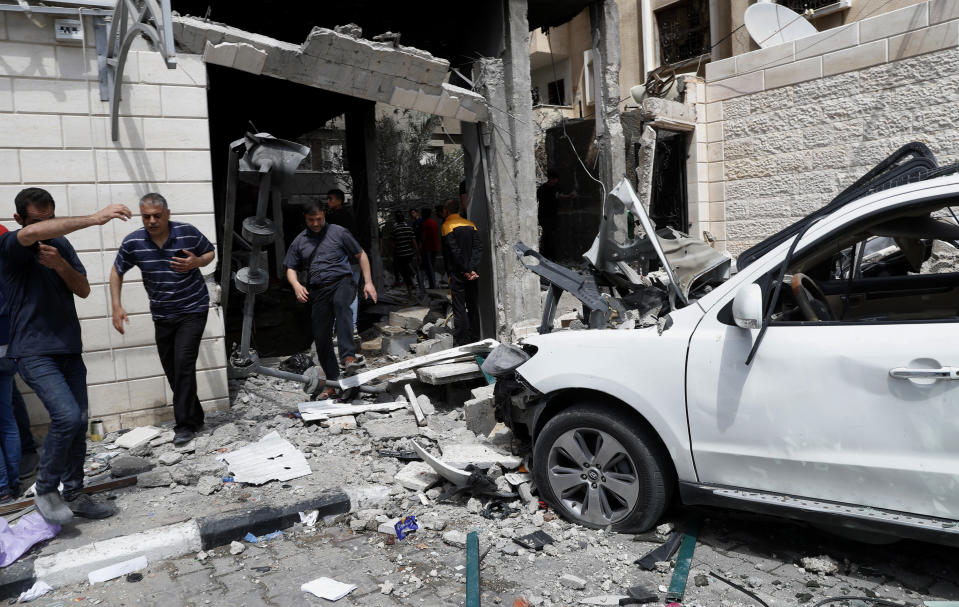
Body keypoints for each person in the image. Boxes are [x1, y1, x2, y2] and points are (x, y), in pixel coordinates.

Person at [0, 187, 130, 524]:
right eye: (39, 221)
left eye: (52, 220)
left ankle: (74, 492)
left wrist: (59, 265)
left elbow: (84, 289)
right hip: (32, 351)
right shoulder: (12, 246)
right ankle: (46, 488)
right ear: (19, 220)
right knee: (67, 417)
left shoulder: (61, 246)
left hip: (69, 349)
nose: (48, 229)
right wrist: (95, 218)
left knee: (78, 423)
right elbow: (30, 234)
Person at [109, 193, 215, 447]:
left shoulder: (187, 232)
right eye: (146, 216)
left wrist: (196, 262)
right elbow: (116, 271)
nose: (152, 221)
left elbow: (209, 252)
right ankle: (196, 416)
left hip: (193, 309)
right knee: (173, 369)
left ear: (167, 214)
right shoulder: (134, 242)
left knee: (183, 364)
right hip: (162, 314)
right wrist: (116, 306)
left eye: (157, 216)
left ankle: (184, 425)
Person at [284, 202, 377, 400]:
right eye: (311, 220)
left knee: (342, 305)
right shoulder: (300, 241)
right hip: (318, 290)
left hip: (342, 281)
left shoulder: (339, 232)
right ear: (305, 218)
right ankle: (332, 383)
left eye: (319, 219)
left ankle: (348, 356)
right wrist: (297, 286)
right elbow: (290, 268)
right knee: (320, 336)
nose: (316, 223)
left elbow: (361, 255)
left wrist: (368, 283)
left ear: (324, 215)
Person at [441, 199, 482, 345]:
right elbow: (477, 249)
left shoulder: (447, 226)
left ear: (446, 210)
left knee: (459, 307)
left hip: (458, 273)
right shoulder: (471, 225)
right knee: (472, 306)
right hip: (472, 274)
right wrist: (471, 269)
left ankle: (461, 341)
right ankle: (476, 337)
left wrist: (465, 270)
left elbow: (454, 252)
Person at [0, 224, 21, 504]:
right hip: (9, 346)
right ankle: (12, 483)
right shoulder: (10, 264)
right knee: (6, 418)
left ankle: (2, 487)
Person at [325, 189, 359, 334]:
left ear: (339, 200)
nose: (328, 202)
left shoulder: (337, 217)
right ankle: (352, 326)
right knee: (352, 294)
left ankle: (338, 328)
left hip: (344, 261)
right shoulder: (348, 215)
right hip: (352, 260)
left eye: (330, 199)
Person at [536, 169, 574, 260]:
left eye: (556, 179)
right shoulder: (542, 189)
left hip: (552, 216)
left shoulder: (556, 187)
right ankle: (546, 256)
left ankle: (549, 256)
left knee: (550, 236)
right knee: (548, 236)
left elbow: (559, 195)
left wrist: (568, 196)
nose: (555, 181)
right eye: (553, 179)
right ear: (549, 178)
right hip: (544, 216)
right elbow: (556, 196)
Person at [391, 211, 418, 300]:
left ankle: (410, 292)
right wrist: (417, 252)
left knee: (405, 273)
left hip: (400, 254)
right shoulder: (409, 228)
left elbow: (393, 243)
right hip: (409, 253)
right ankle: (412, 281)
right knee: (407, 270)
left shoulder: (395, 229)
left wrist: (392, 253)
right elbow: (413, 242)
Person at [419, 207, 440, 290]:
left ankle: (432, 285)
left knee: (429, 267)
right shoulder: (434, 223)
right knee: (431, 266)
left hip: (428, 248)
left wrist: (419, 247)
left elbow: (423, 237)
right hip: (435, 247)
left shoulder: (425, 223)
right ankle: (432, 284)